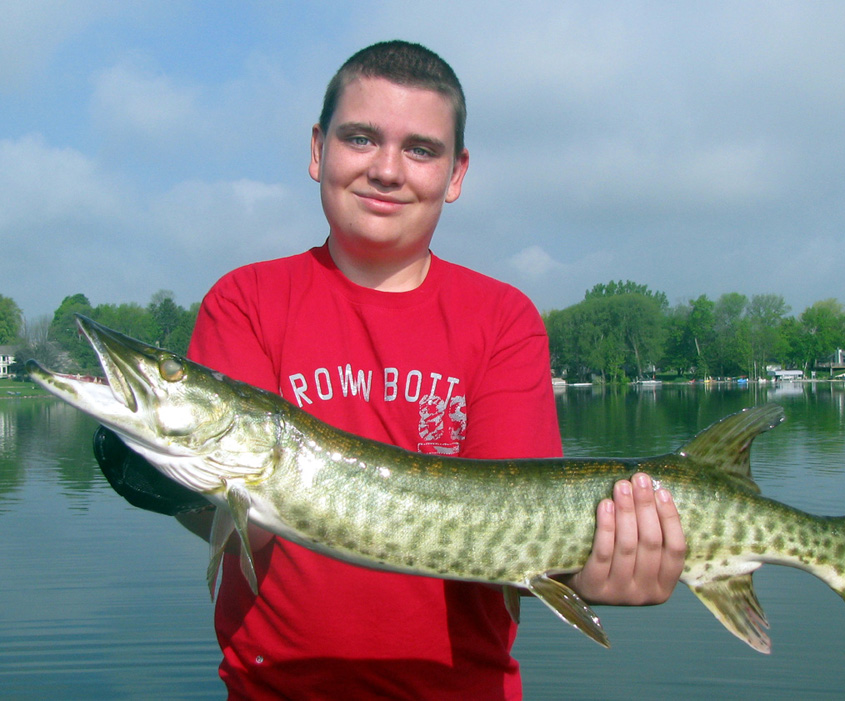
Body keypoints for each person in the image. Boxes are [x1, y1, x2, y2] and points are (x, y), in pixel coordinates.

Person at [100, 40, 686, 699]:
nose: (386, 169)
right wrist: (169, 485)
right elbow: (246, 524)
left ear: (456, 174)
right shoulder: (247, 301)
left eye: (421, 149)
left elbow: (518, 544)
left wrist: (594, 569)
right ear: (318, 150)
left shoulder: (503, 319)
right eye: (360, 138)